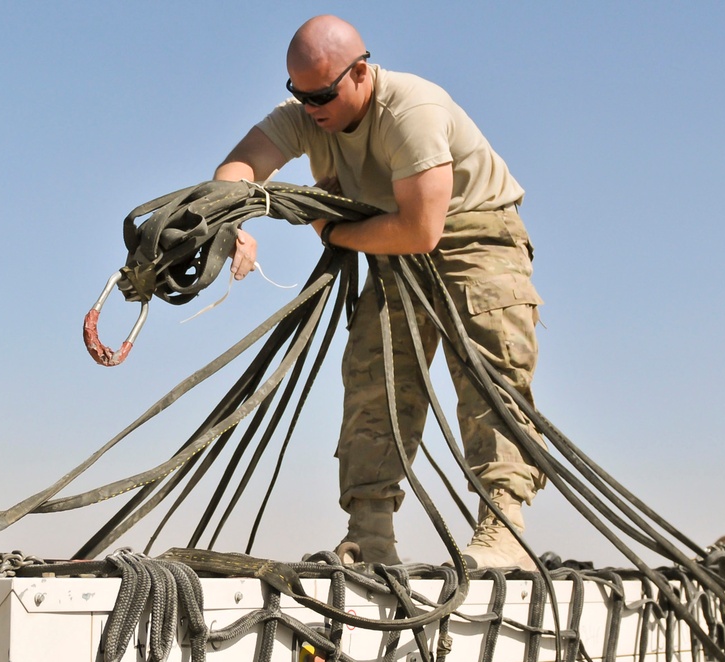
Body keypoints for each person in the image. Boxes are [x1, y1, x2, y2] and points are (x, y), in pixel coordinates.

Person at [216, 15, 546, 569]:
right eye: (300, 94)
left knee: (489, 372)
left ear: (361, 73)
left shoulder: (411, 111)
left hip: (473, 235)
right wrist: (232, 221)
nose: (311, 106)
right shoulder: (307, 117)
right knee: (375, 370)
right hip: (391, 238)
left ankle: (503, 526)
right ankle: (370, 534)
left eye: (323, 93)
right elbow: (241, 165)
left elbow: (423, 230)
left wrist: (334, 230)